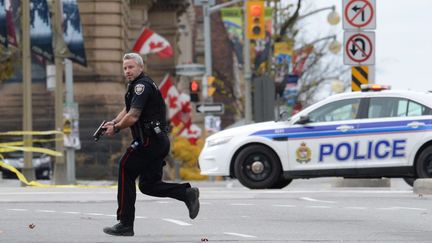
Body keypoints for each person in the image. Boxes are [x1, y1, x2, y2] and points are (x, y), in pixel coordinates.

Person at [101, 53, 200, 237]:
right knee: (148, 185)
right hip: (156, 141)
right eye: (125, 68)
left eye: (131, 67)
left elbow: (133, 116)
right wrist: (113, 122)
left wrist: (116, 128)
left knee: (125, 168)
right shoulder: (136, 86)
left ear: (140, 67)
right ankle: (186, 193)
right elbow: (127, 109)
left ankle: (125, 223)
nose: (127, 71)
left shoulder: (141, 86)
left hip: (148, 141)